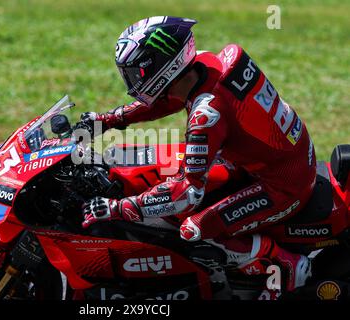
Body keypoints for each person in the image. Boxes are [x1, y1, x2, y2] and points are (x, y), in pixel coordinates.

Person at [78, 16, 315, 297]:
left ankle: (284, 263)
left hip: (283, 185)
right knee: (163, 161)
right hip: (275, 157)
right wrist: (107, 120)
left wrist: (119, 208)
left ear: (163, 66)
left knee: (193, 228)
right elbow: (166, 100)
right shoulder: (205, 63)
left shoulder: (207, 114)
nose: (132, 81)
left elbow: (187, 193)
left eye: (137, 72)